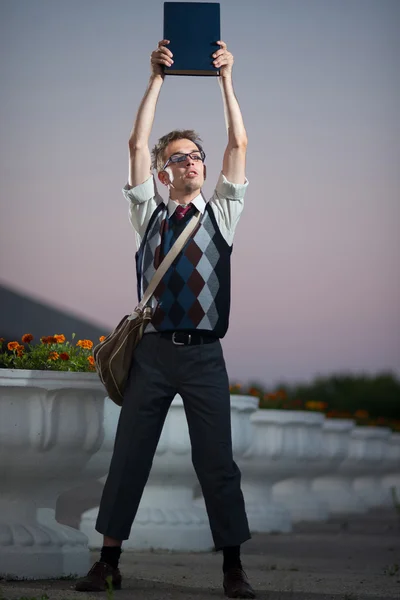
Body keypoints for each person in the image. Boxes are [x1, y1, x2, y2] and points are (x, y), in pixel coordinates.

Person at [75, 39, 255, 599]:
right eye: (178, 156)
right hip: (151, 353)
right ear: (161, 171)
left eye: (196, 155)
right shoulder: (147, 213)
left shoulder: (222, 211)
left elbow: (239, 142)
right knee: (129, 457)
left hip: (204, 355)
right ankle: (108, 563)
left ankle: (232, 568)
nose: (192, 162)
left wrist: (227, 79)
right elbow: (134, 142)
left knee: (217, 464)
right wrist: (156, 78)